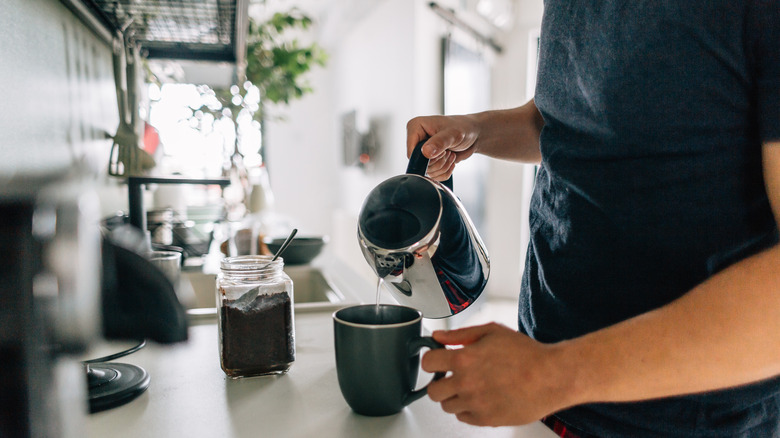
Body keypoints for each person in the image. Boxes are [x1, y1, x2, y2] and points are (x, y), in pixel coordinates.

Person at [407, 2, 780, 437]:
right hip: (544, 391)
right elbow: (564, 116)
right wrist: (476, 129)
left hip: (682, 421)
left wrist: (552, 374)